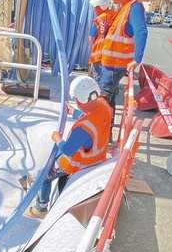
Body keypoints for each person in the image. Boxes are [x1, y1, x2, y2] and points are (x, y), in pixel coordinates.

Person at [28, 76, 113, 218]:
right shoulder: (104, 105)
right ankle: (56, 192)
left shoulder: (84, 129)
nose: (77, 103)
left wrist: (58, 139)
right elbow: (93, 115)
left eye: (77, 101)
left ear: (81, 101)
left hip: (79, 163)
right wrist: (74, 112)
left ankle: (40, 208)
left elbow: (66, 149)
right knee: (57, 176)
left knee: (45, 175)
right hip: (98, 157)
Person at [99, 0, 148, 126]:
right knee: (109, 99)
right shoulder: (124, 8)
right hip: (111, 64)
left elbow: (141, 32)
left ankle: (101, 134)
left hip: (115, 65)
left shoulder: (134, 8)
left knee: (103, 100)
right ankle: (105, 134)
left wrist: (137, 59)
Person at [88, 0, 116, 83]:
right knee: (109, 83)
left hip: (99, 56)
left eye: (96, 7)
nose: (95, 10)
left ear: (101, 7)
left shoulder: (99, 19)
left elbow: (91, 37)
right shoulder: (116, 16)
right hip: (113, 56)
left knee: (96, 82)